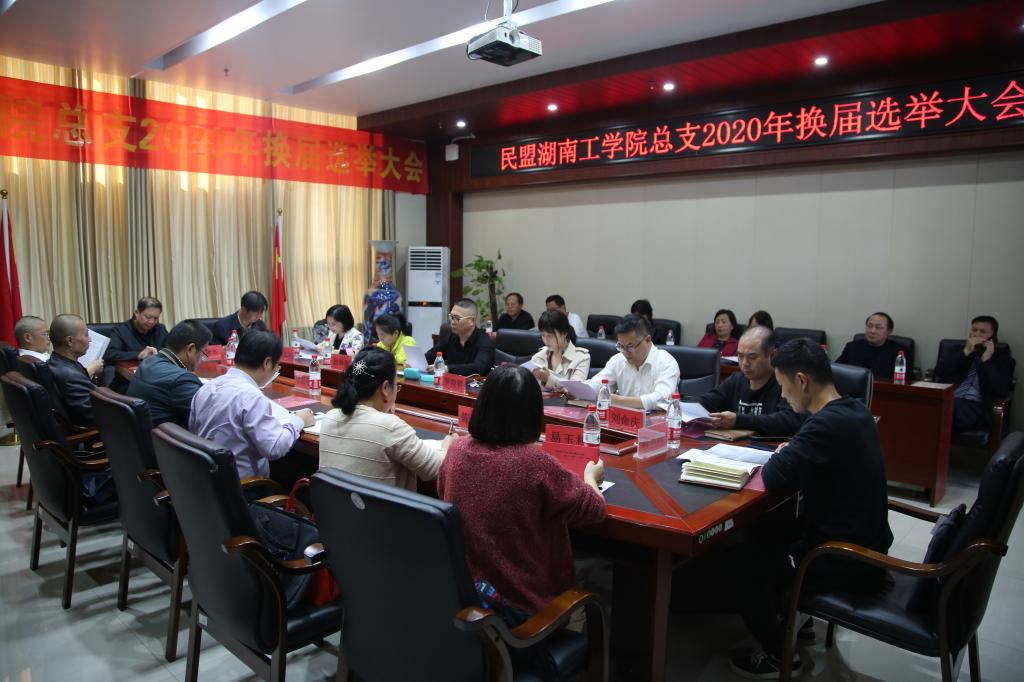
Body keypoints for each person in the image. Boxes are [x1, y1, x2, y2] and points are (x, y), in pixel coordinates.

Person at [728, 339, 892, 678]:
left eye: (784, 386)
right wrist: (793, 448)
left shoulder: (824, 425)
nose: (783, 395)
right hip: (868, 545)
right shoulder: (854, 410)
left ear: (802, 381)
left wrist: (786, 451)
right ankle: (795, 620)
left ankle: (779, 654)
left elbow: (774, 476)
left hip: (842, 559)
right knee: (764, 529)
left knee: (739, 563)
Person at [437, 365, 606, 622]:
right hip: (523, 611)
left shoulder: (458, 449)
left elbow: (442, 491)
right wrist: (591, 477)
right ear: (532, 414)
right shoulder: (534, 464)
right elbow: (595, 509)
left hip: (470, 597)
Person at [319, 348, 452, 491]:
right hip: (377, 506)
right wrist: (448, 447)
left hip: (335, 505)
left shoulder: (330, 417)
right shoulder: (390, 426)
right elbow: (437, 470)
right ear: (385, 388)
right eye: (396, 385)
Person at [189, 330, 315, 479]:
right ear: (267, 363)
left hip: (207, 480)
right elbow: (274, 448)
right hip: (243, 486)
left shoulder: (206, 388)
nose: (276, 370)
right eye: (277, 365)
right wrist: (299, 421)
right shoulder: (252, 397)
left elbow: (193, 432)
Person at [698, 327, 801, 436]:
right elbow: (704, 403)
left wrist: (739, 420)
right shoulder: (735, 381)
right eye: (740, 356)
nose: (744, 363)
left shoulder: (785, 383)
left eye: (752, 357)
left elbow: (790, 421)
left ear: (772, 355)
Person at [935, 315, 1016, 432]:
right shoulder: (961, 352)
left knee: (944, 409)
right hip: (951, 399)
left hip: (976, 407)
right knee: (929, 406)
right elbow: (940, 372)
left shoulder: (1004, 360)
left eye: (982, 331)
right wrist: (966, 351)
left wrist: (986, 361)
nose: (977, 334)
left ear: (992, 336)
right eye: (974, 330)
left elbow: (1001, 390)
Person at [126, 319, 211, 428]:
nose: (203, 359)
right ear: (190, 349)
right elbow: (211, 414)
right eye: (204, 352)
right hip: (167, 437)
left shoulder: (148, 361)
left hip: (143, 433)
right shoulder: (181, 381)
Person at [584, 315, 679, 410]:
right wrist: (578, 389)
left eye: (630, 346)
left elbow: (661, 399)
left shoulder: (666, 362)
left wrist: (618, 400)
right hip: (625, 417)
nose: (625, 352)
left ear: (647, 340)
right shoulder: (618, 360)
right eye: (621, 346)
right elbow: (597, 384)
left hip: (658, 418)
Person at [45, 314, 104, 426]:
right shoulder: (70, 376)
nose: (90, 339)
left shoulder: (54, 361)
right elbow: (92, 416)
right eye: (86, 335)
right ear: (70, 341)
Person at [104, 297, 170, 390]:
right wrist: (138, 355)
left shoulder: (160, 329)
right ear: (137, 313)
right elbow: (110, 354)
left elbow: (170, 351)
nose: (152, 322)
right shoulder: (121, 330)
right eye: (148, 317)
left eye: (156, 318)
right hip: (127, 382)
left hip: (157, 377)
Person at [426, 299, 495, 376]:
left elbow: (478, 368)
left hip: (475, 383)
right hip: (450, 382)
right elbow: (430, 356)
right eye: (451, 317)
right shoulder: (451, 337)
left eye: (457, 318)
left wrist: (447, 368)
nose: (452, 322)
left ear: (472, 321)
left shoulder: (484, 340)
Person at [836, 312, 911, 380]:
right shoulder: (852, 347)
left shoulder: (899, 352)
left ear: (889, 331)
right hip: (853, 388)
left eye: (878, 327)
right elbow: (836, 370)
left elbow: (907, 380)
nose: (872, 331)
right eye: (870, 326)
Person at [530, 310, 590, 391]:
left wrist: (549, 379)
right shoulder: (538, 356)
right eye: (543, 335)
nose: (546, 340)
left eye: (550, 336)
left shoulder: (581, 357)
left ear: (564, 333)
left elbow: (576, 389)